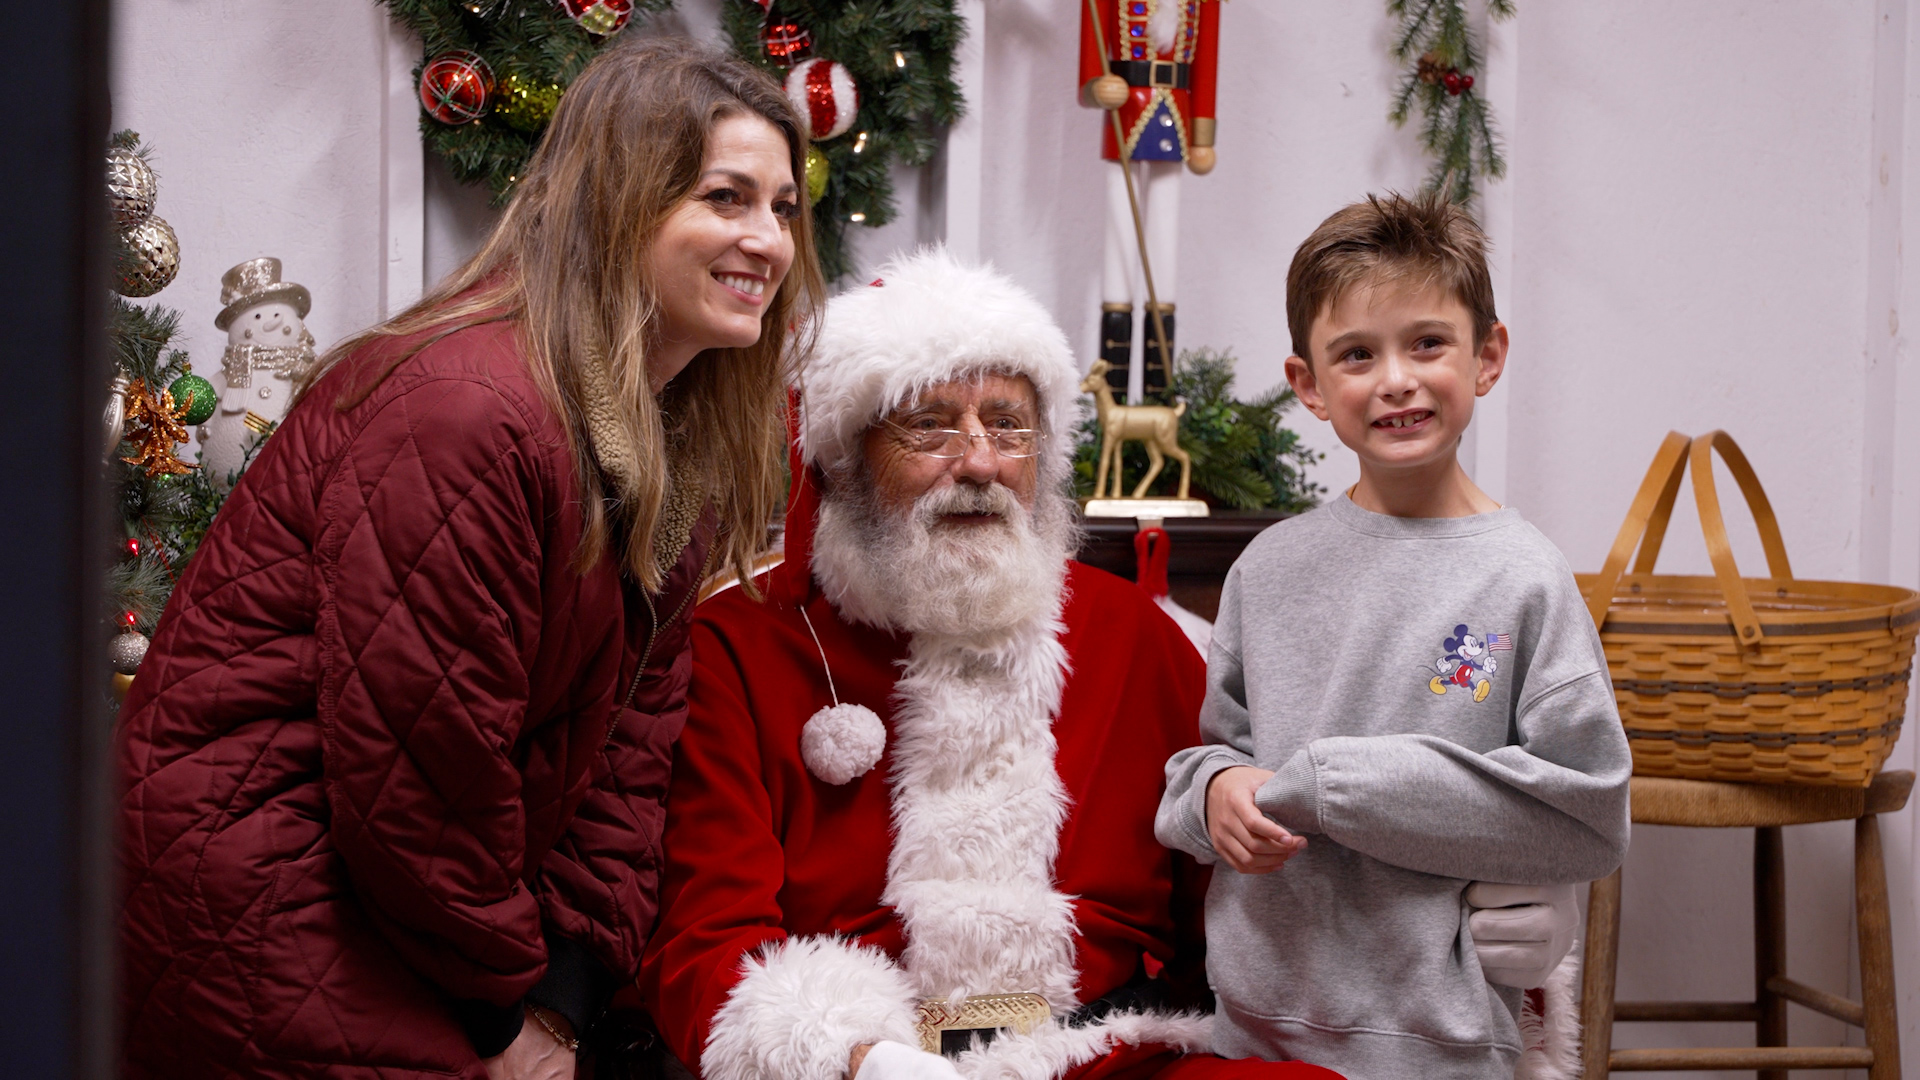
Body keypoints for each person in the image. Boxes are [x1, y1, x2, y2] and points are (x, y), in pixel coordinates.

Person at [117, 38, 822, 1080]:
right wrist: (504, 1018)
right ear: (620, 203)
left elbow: (628, 758)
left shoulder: (670, 457)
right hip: (266, 897)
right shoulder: (466, 412)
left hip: (428, 920)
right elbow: (416, 772)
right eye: (725, 198)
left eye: (784, 208)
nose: (767, 240)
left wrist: (564, 994)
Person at [635, 247, 1343, 1080]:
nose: (978, 462)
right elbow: (706, 944)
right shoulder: (742, 647)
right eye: (928, 425)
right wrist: (855, 1057)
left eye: (1008, 425)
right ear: (846, 460)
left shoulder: (1132, 634)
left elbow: (1233, 911)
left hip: (1102, 1056)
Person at [1155, 193, 1632, 1080]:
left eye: (1427, 343)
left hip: (1440, 1043)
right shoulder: (1268, 569)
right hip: (1256, 1027)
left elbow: (1589, 820)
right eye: (1357, 354)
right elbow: (1206, 763)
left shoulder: (1524, 578)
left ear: (1487, 356)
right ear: (1309, 385)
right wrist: (1214, 793)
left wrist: (1338, 787)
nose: (1396, 380)